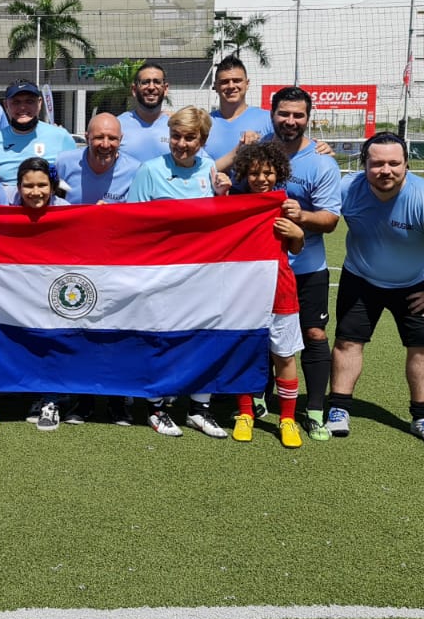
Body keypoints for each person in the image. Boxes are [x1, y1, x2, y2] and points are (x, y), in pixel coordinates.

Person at [328, 133, 424, 448]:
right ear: (364, 164)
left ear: (406, 164)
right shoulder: (349, 189)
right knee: (348, 342)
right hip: (360, 278)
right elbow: (315, 205)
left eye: (394, 163)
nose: (385, 170)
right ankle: (338, 409)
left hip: (416, 284)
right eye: (377, 163)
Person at [129, 105, 229, 439]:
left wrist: (222, 197)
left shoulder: (211, 168)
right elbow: (135, 224)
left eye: (190, 138)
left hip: (201, 274)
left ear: (202, 140)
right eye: (176, 136)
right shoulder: (150, 170)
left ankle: (199, 409)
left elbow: (217, 220)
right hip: (161, 273)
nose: (181, 144)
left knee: (203, 337)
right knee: (162, 338)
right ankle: (158, 408)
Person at [262, 86, 343, 441]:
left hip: (307, 267)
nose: (290, 121)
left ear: (308, 118)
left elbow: (331, 220)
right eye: (284, 113)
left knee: (313, 334)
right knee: (258, 334)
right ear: (272, 113)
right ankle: (258, 399)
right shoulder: (259, 150)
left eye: (298, 115)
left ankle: (314, 409)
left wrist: (303, 217)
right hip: (262, 265)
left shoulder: (322, 162)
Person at [49, 112, 140, 426]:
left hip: (116, 264)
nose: (105, 144)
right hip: (73, 262)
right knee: (79, 330)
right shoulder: (63, 164)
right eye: (98, 137)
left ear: (120, 140)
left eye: (112, 138)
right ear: (86, 137)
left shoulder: (135, 170)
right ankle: (82, 400)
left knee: (116, 333)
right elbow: (46, 202)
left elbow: (141, 218)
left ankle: (118, 401)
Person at [228, 141, 306, 449]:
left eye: (269, 173)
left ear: (280, 173)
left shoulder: (286, 204)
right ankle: (245, 414)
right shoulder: (233, 205)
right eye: (255, 173)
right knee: (244, 353)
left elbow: (295, 248)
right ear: (245, 174)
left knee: (284, 356)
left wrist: (298, 234)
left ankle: (287, 419)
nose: (262, 179)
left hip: (281, 291)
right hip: (244, 294)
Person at [12, 157, 71, 433]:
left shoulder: (69, 212)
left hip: (57, 289)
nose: (35, 192)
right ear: (18, 187)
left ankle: (51, 400)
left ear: (53, 185)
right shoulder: (6, 211)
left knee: (53, 340)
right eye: (28, 186)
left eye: (42, 185)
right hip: (21, 289)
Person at [0, 80, 77, 190]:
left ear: (40, 103)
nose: (23, 107)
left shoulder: (61, 137)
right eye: (16, 102)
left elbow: (74, 181)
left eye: (29, 101)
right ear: (6, 105)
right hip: (7, 205)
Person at [204, 56, 274, 163]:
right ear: (216, 86)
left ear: (247, 84)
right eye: (224, 82)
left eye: (237, 81)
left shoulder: (269, 119)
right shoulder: (204, 122)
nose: (231, 86)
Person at [116, 61, 172, 165]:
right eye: (145, 82)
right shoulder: (118, 125)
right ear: (134, 89)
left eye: (157, 82)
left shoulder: (176, 125)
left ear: (165, 89)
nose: (151, 87)